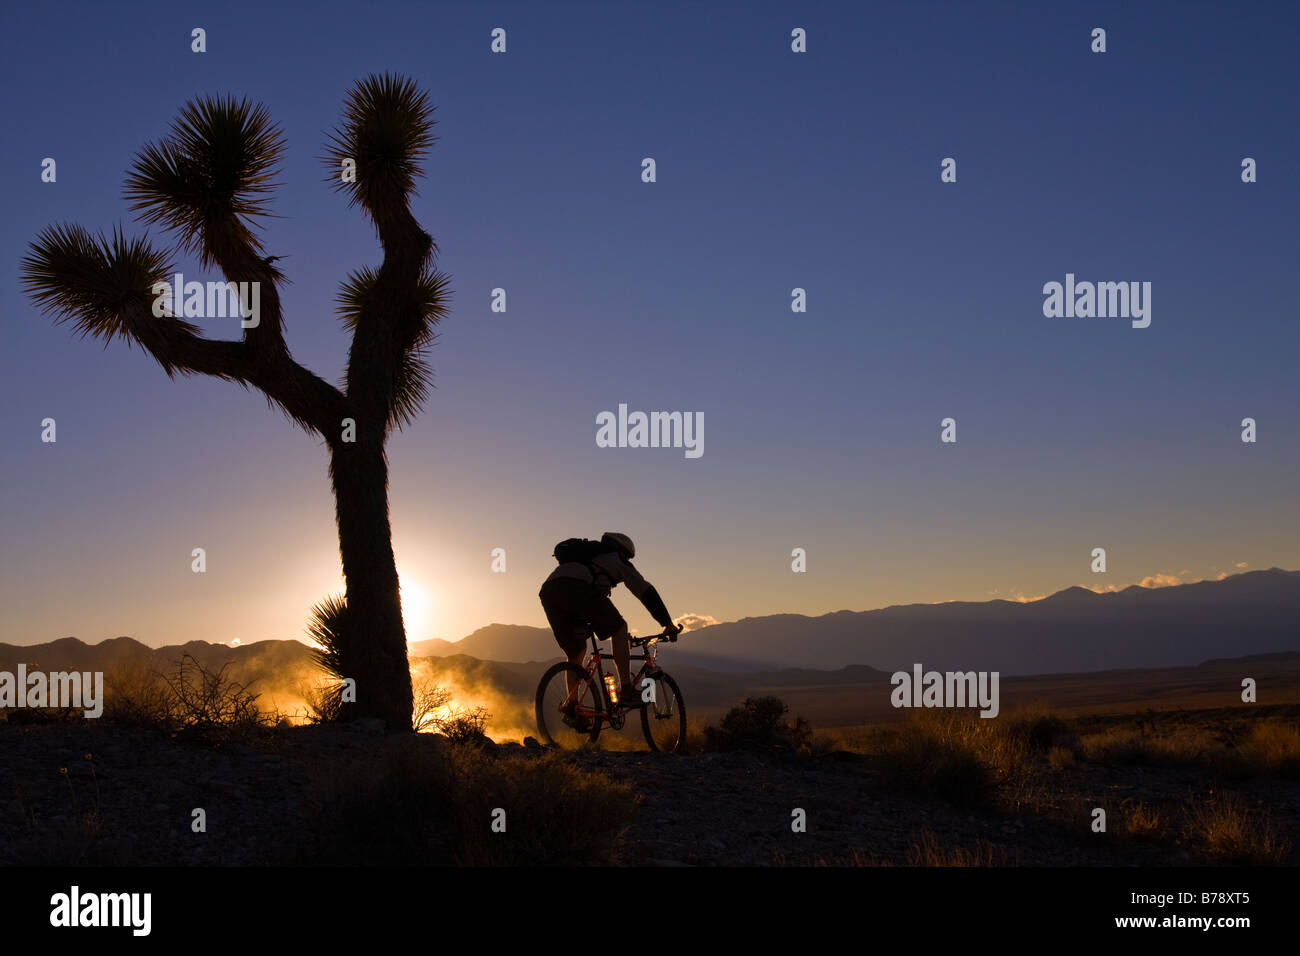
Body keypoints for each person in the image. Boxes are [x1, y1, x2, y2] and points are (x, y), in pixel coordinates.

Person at [539, 532, 681, 728]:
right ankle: (627, 690)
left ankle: (573, 706)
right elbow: (645, 591)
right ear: (623, 550)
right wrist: (667, 623)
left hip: (549, 592)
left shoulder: (586, 557)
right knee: (619, 627)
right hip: (577, 588)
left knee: (577, 651)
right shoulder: (616, 559)